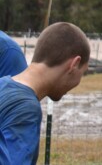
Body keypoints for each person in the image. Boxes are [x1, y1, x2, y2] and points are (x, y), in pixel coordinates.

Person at [0, 22, 90, 165]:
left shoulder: (3, 83)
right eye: (83, 72)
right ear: (74, 64)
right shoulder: (26, 110)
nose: (79, 81)